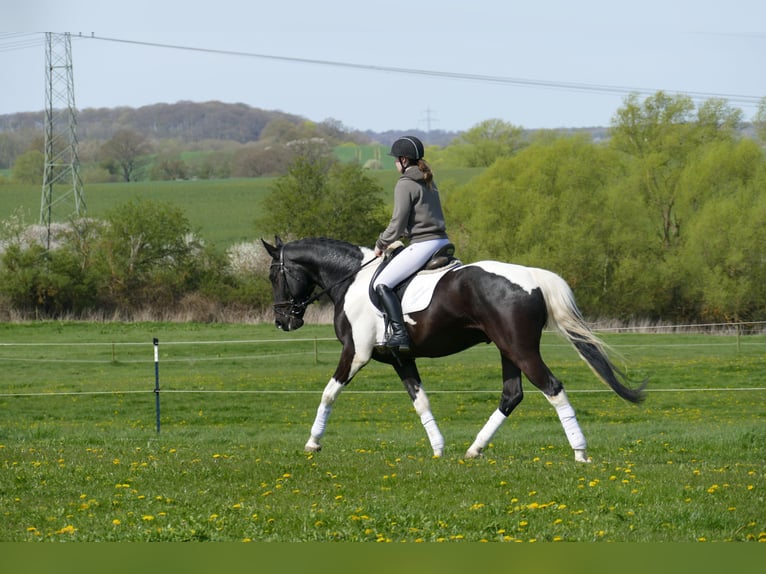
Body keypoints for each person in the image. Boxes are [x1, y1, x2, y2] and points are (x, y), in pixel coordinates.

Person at [373, 135, 451, 353]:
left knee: (383, 284)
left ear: (404, 160)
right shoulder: (428, 179)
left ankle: (400, 334)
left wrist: (381, 243)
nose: (395, 163)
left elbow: (397, 223)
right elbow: (421, 216)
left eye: (396, 160)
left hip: (424, 243)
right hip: (441, 240)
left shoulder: (405, 183)